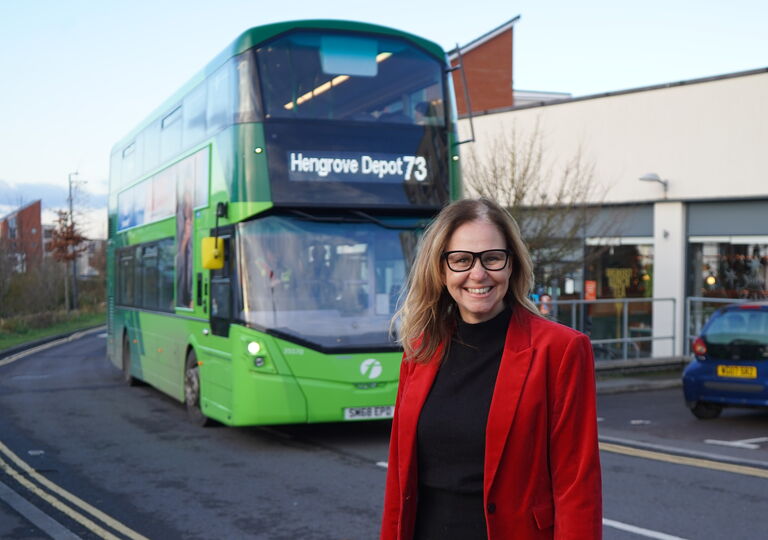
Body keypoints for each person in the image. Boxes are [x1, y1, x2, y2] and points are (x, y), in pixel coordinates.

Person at [380, 198, 602, 540]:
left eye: (493, 258)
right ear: (441, 270)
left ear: (511, 265)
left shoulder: (560, 350)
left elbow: (577, 487)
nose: (478, 273)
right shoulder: (421, 348)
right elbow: (398, 481)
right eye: (461, 260)